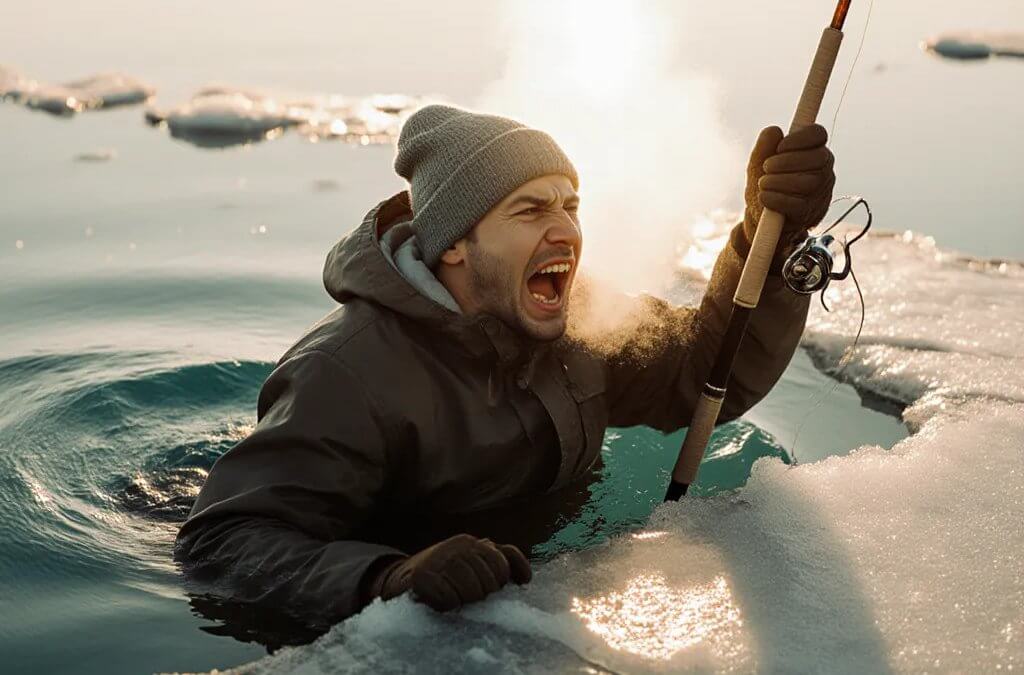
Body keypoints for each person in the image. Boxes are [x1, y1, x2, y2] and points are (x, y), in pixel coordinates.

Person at [175, 104, 834, 631]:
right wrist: (387, 578)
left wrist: (768, 238)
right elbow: (222, 542)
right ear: (456, 244)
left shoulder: (580, 324)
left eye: (570, 206)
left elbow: (705, 376)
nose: (566, 230)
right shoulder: (347, 373)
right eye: (531, 209)